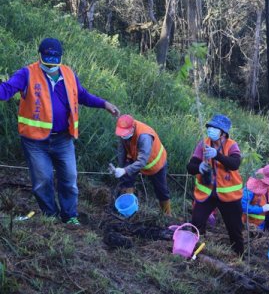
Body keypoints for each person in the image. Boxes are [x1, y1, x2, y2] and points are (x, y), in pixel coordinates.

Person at [0, 38, 120, 224]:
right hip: (35, 141)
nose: (51, 66)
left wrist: (104, 104)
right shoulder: (27, 74)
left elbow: (83, 95)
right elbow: (6, 90)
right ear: (39, 57)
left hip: (63, 139)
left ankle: (70, 216)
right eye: (47, 61)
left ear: (60, 58)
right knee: (43, 180)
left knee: (70, 178)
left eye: (54, 61)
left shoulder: (68, 74)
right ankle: (51, 216)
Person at [186, 114, 244, 256]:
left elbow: (235, 164)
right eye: (210, 127)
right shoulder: (203, 144)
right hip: (206, 193)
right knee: (197, 222)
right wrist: (199, 167)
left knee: (234, 229)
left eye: (215, 128)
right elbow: (190, 166)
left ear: (223, 133)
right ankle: (197, 250)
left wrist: (217, 155)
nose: (211, 130)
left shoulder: (231, 145)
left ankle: (238, 257)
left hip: (229, 196)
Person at [112, 114, 170, 215]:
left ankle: (167, 214)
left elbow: (142, 161)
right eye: (122, 134)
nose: (123, 136)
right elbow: (121, 150)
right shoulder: (123, 132)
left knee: (161, 190)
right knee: (126, 179)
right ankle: (128, 209)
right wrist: (120, 169)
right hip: (134, 157)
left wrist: (125, 170)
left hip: (155, 163)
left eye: (125, 134)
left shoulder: (144, 136)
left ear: (133, 128)